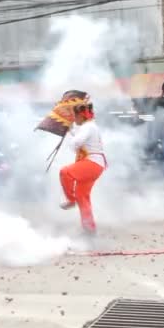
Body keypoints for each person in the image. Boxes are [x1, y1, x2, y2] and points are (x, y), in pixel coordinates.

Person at [59, 90, 106, 235]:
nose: (74, 118)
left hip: (92, 163)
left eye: (75, 116)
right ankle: (89, 228)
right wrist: (71, 131)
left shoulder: (88, 127)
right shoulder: (90, 126)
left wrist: (72, 137)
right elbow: (79, 138)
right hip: (96, 164)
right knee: (83, 196)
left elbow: (76, 143)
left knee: (65, 172)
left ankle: (70, 200)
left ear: (81, 115)